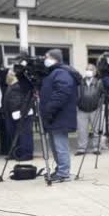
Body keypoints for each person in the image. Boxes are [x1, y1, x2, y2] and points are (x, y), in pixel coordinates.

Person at [40, 49, 81, 183]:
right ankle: (60, 170)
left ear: (55, 58)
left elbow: (62, 93)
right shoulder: (53, 73)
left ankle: (64, 173)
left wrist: (50, 109)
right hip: (54, 115)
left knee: (60, 145)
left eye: (47, 57)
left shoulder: (61, 73)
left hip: (59, 115)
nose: (45, 59)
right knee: (55, 145)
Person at [3, 69, 33, 161]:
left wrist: (22, 111)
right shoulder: (10, 86)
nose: (8, 76)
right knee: (13, 134)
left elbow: (26, 99)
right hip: (11, 114)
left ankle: (26, 154)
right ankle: (15, 153)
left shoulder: (21, 85)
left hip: (22, 113)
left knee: (24, 135)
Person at [76, 64, 105, 155]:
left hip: (95, 109)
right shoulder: (80, 82)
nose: (89, 71)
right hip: (82, 109)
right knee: (82, 130)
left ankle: (96, 148)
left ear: (95, 72)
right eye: (87, 69)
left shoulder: (99, 82)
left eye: (91, 69)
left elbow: (103, 94)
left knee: (96, 130)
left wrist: (100, 104)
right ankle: (81, 148)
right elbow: (76, 94)